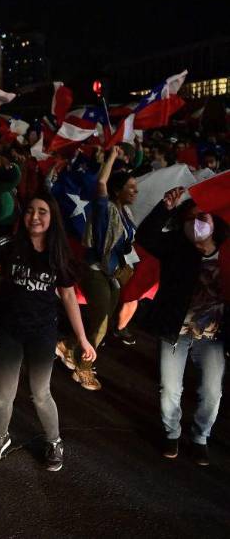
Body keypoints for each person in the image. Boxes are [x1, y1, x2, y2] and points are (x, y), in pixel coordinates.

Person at [0, 192, 96, 471]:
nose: (35, 216)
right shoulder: (9, 245)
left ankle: (54, 441)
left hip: (42, 333)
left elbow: (68, 297)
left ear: (52, 216)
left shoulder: (59, 252)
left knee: (40, 393)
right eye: (30, 210)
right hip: (9, 330)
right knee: (3, 394)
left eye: (42, 211)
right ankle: (0, 437)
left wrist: (82, 339)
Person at [136, 187, 228, 466]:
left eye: (202, 216)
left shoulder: (227, 252)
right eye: (189, 219)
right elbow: (146, 236)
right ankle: (171, 432)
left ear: (215, 221)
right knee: (169, 388)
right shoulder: (176, 247)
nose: (197, 222)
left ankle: (200, 437)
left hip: (213, 336)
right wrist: (164, 207)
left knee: (213, 393)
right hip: (176, 332)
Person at [71, 146, 137, 391]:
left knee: (105, 322)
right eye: (131, 187)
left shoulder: (125, 212)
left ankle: (69, 346)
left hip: (113, 274)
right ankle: (83, 368)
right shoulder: (104, 207)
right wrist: (112, 157)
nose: (136, 191)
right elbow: (101, 182)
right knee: (100, 322)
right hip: (95, 270)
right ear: (117, 190)